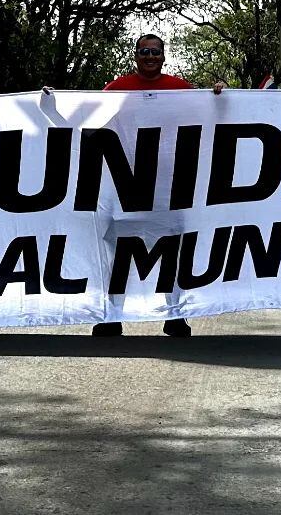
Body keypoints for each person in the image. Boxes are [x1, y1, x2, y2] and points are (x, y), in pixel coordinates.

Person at [93, 33, 225, 339]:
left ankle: (175, 315)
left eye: (155, 52)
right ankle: (112, 317)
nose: (150, 56)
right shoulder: (117, 88)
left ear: (163, 56)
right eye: (144, 51)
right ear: (136, 55)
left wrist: (217, 94)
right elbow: (86, 115)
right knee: (119, 253)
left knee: (172, 251)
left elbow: (210, 114)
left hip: (170, 185)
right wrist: (50, 99)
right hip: (126, 185)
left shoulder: (180, 89)